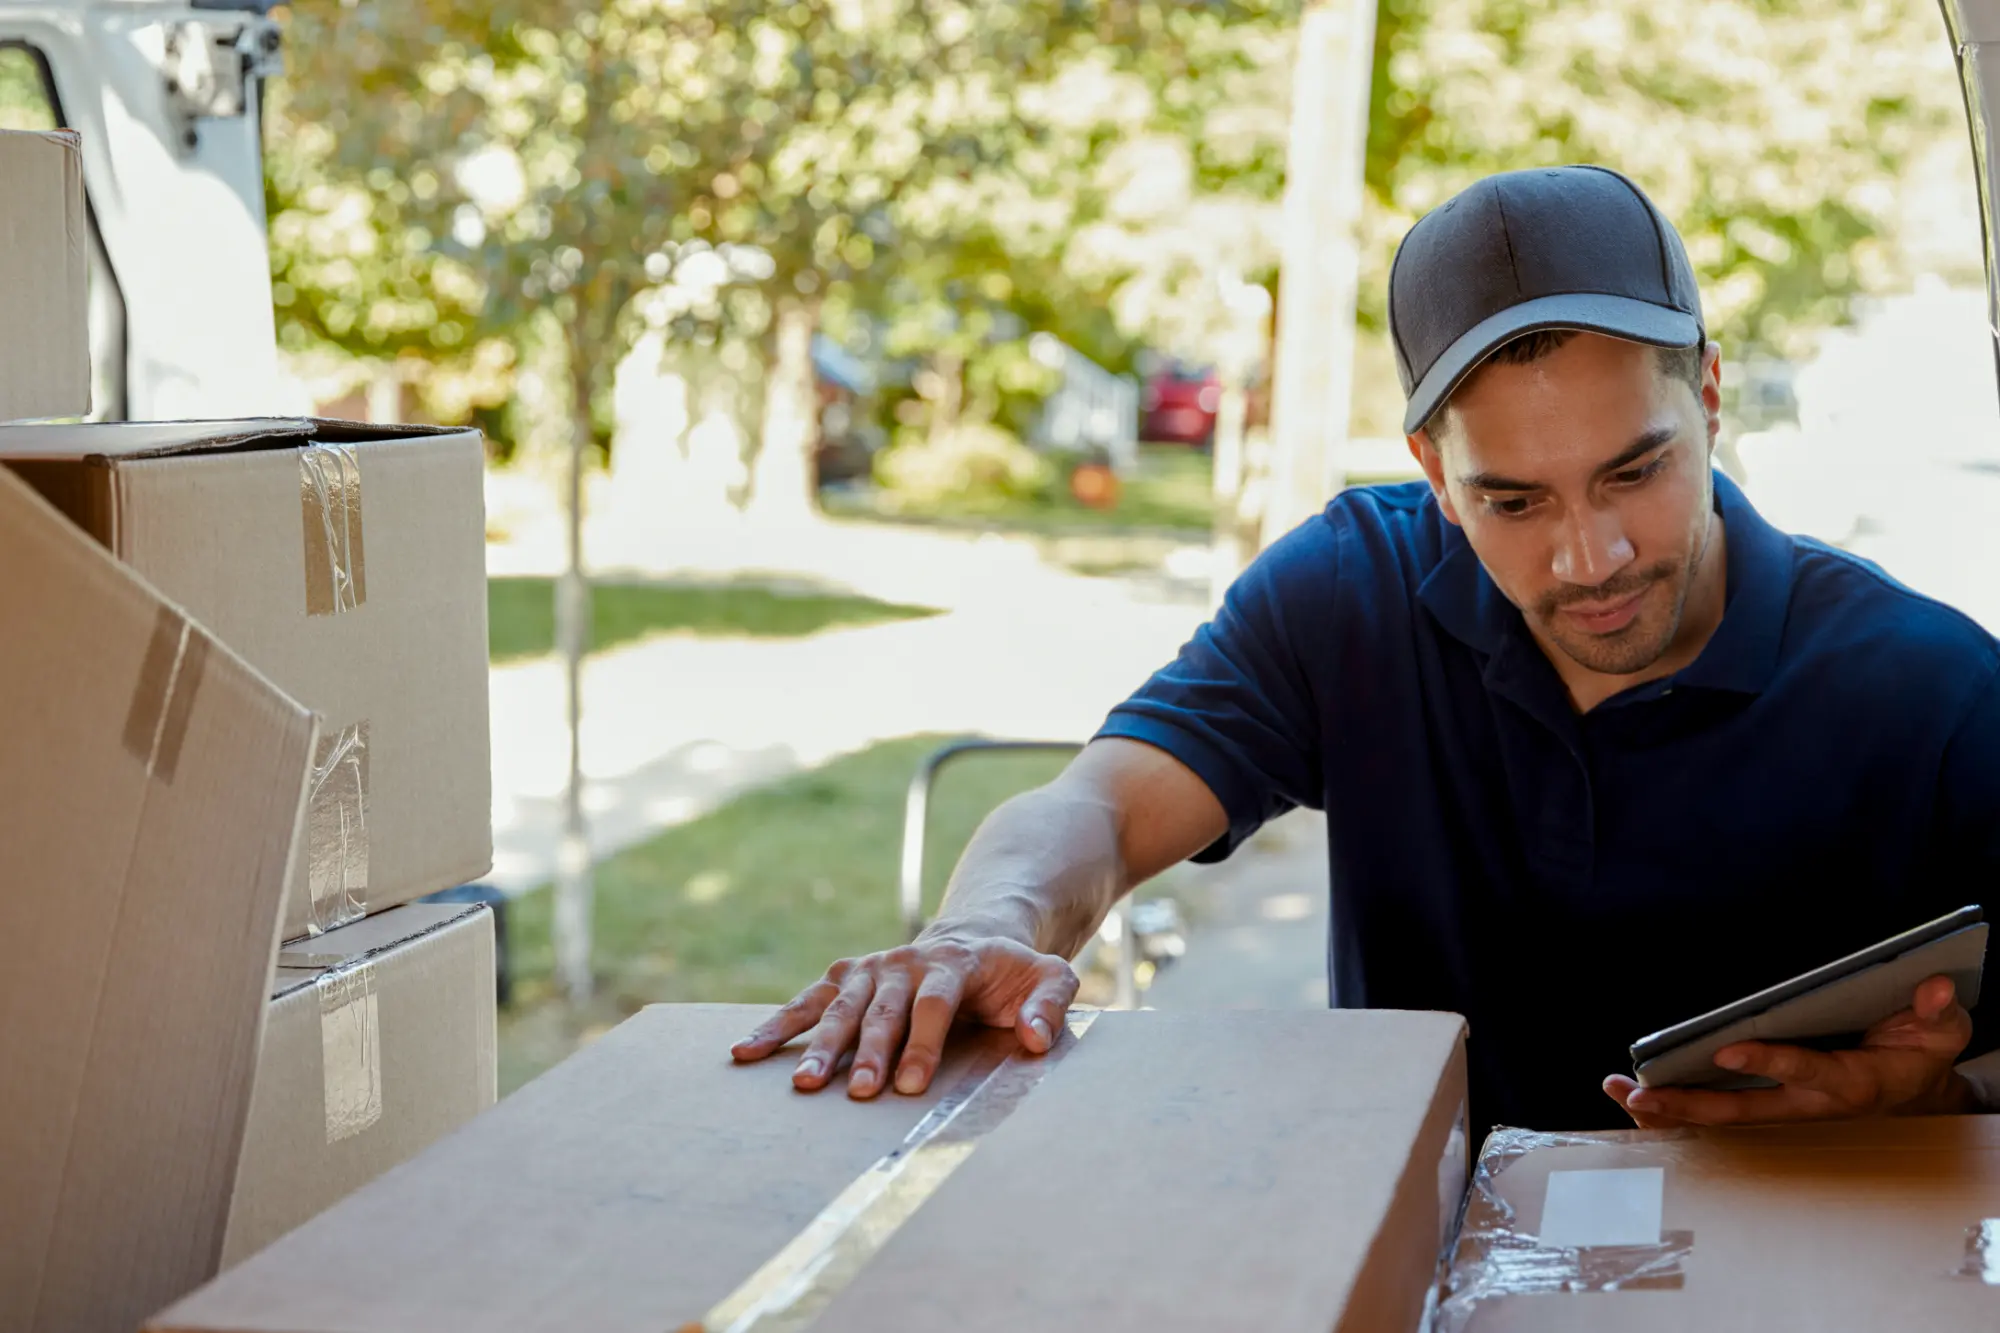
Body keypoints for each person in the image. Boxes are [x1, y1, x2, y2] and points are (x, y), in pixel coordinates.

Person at [732, 165, 2000, 1132]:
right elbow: (1101, 810)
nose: (1588, 556)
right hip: (1410, 1256)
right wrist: (981, 928)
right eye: (1512, 500)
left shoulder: (1932, 688)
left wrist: (1932, 1106)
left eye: (1634, 471)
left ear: (1709, 397)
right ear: (1431, 476)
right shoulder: (1352, 586)